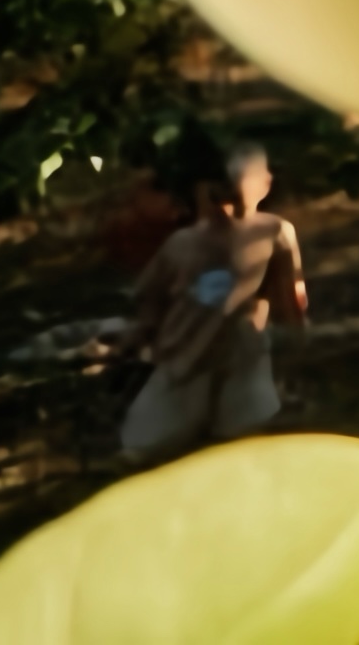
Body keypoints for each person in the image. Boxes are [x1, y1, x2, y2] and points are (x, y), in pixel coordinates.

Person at [120, 138, 307, 462]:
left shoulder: (190, 243)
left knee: (148, 451)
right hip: (206, 363)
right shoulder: (271, 233)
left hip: (208, 363)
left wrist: (145, 335)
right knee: (157, 451)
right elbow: (292, 307)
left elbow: (148, 302)